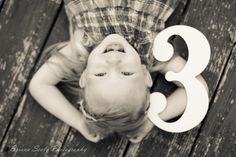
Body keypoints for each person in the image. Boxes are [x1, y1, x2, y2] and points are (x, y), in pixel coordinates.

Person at [29, 0, 208, 143]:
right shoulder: (153, 53)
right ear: (145, 75)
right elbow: (196, 89)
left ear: (84, 77)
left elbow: (39, 85)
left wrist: (79, 122)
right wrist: (153, 119)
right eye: (127, 73)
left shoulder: (82, 49)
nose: (113, 60)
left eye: (100, 74)